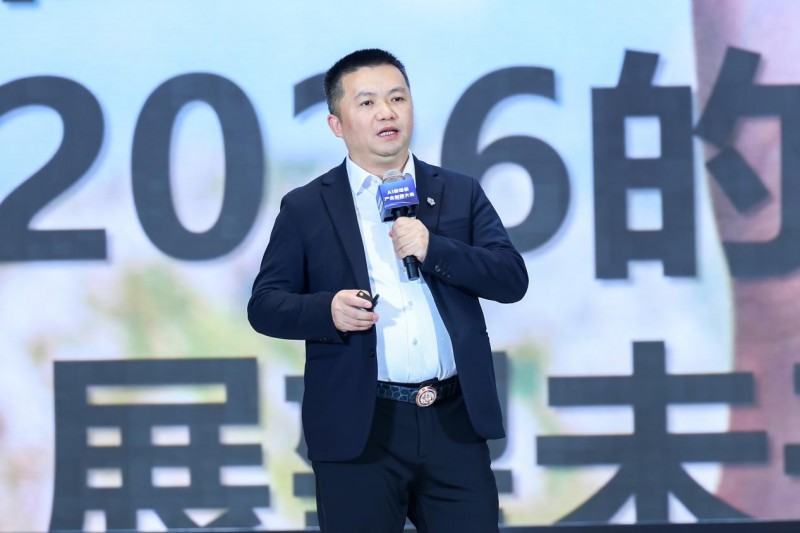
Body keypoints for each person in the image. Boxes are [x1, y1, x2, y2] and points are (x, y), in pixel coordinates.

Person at [248, 48, 528, 533]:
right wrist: (327, 311)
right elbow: (266, 305)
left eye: (397, 98)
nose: (386, 112)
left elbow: (510, 278)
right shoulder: (307, 207)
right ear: (337, 124)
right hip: (361, 428)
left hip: (454, 422)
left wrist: (434, 248)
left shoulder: (459, 192)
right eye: (368, 102)